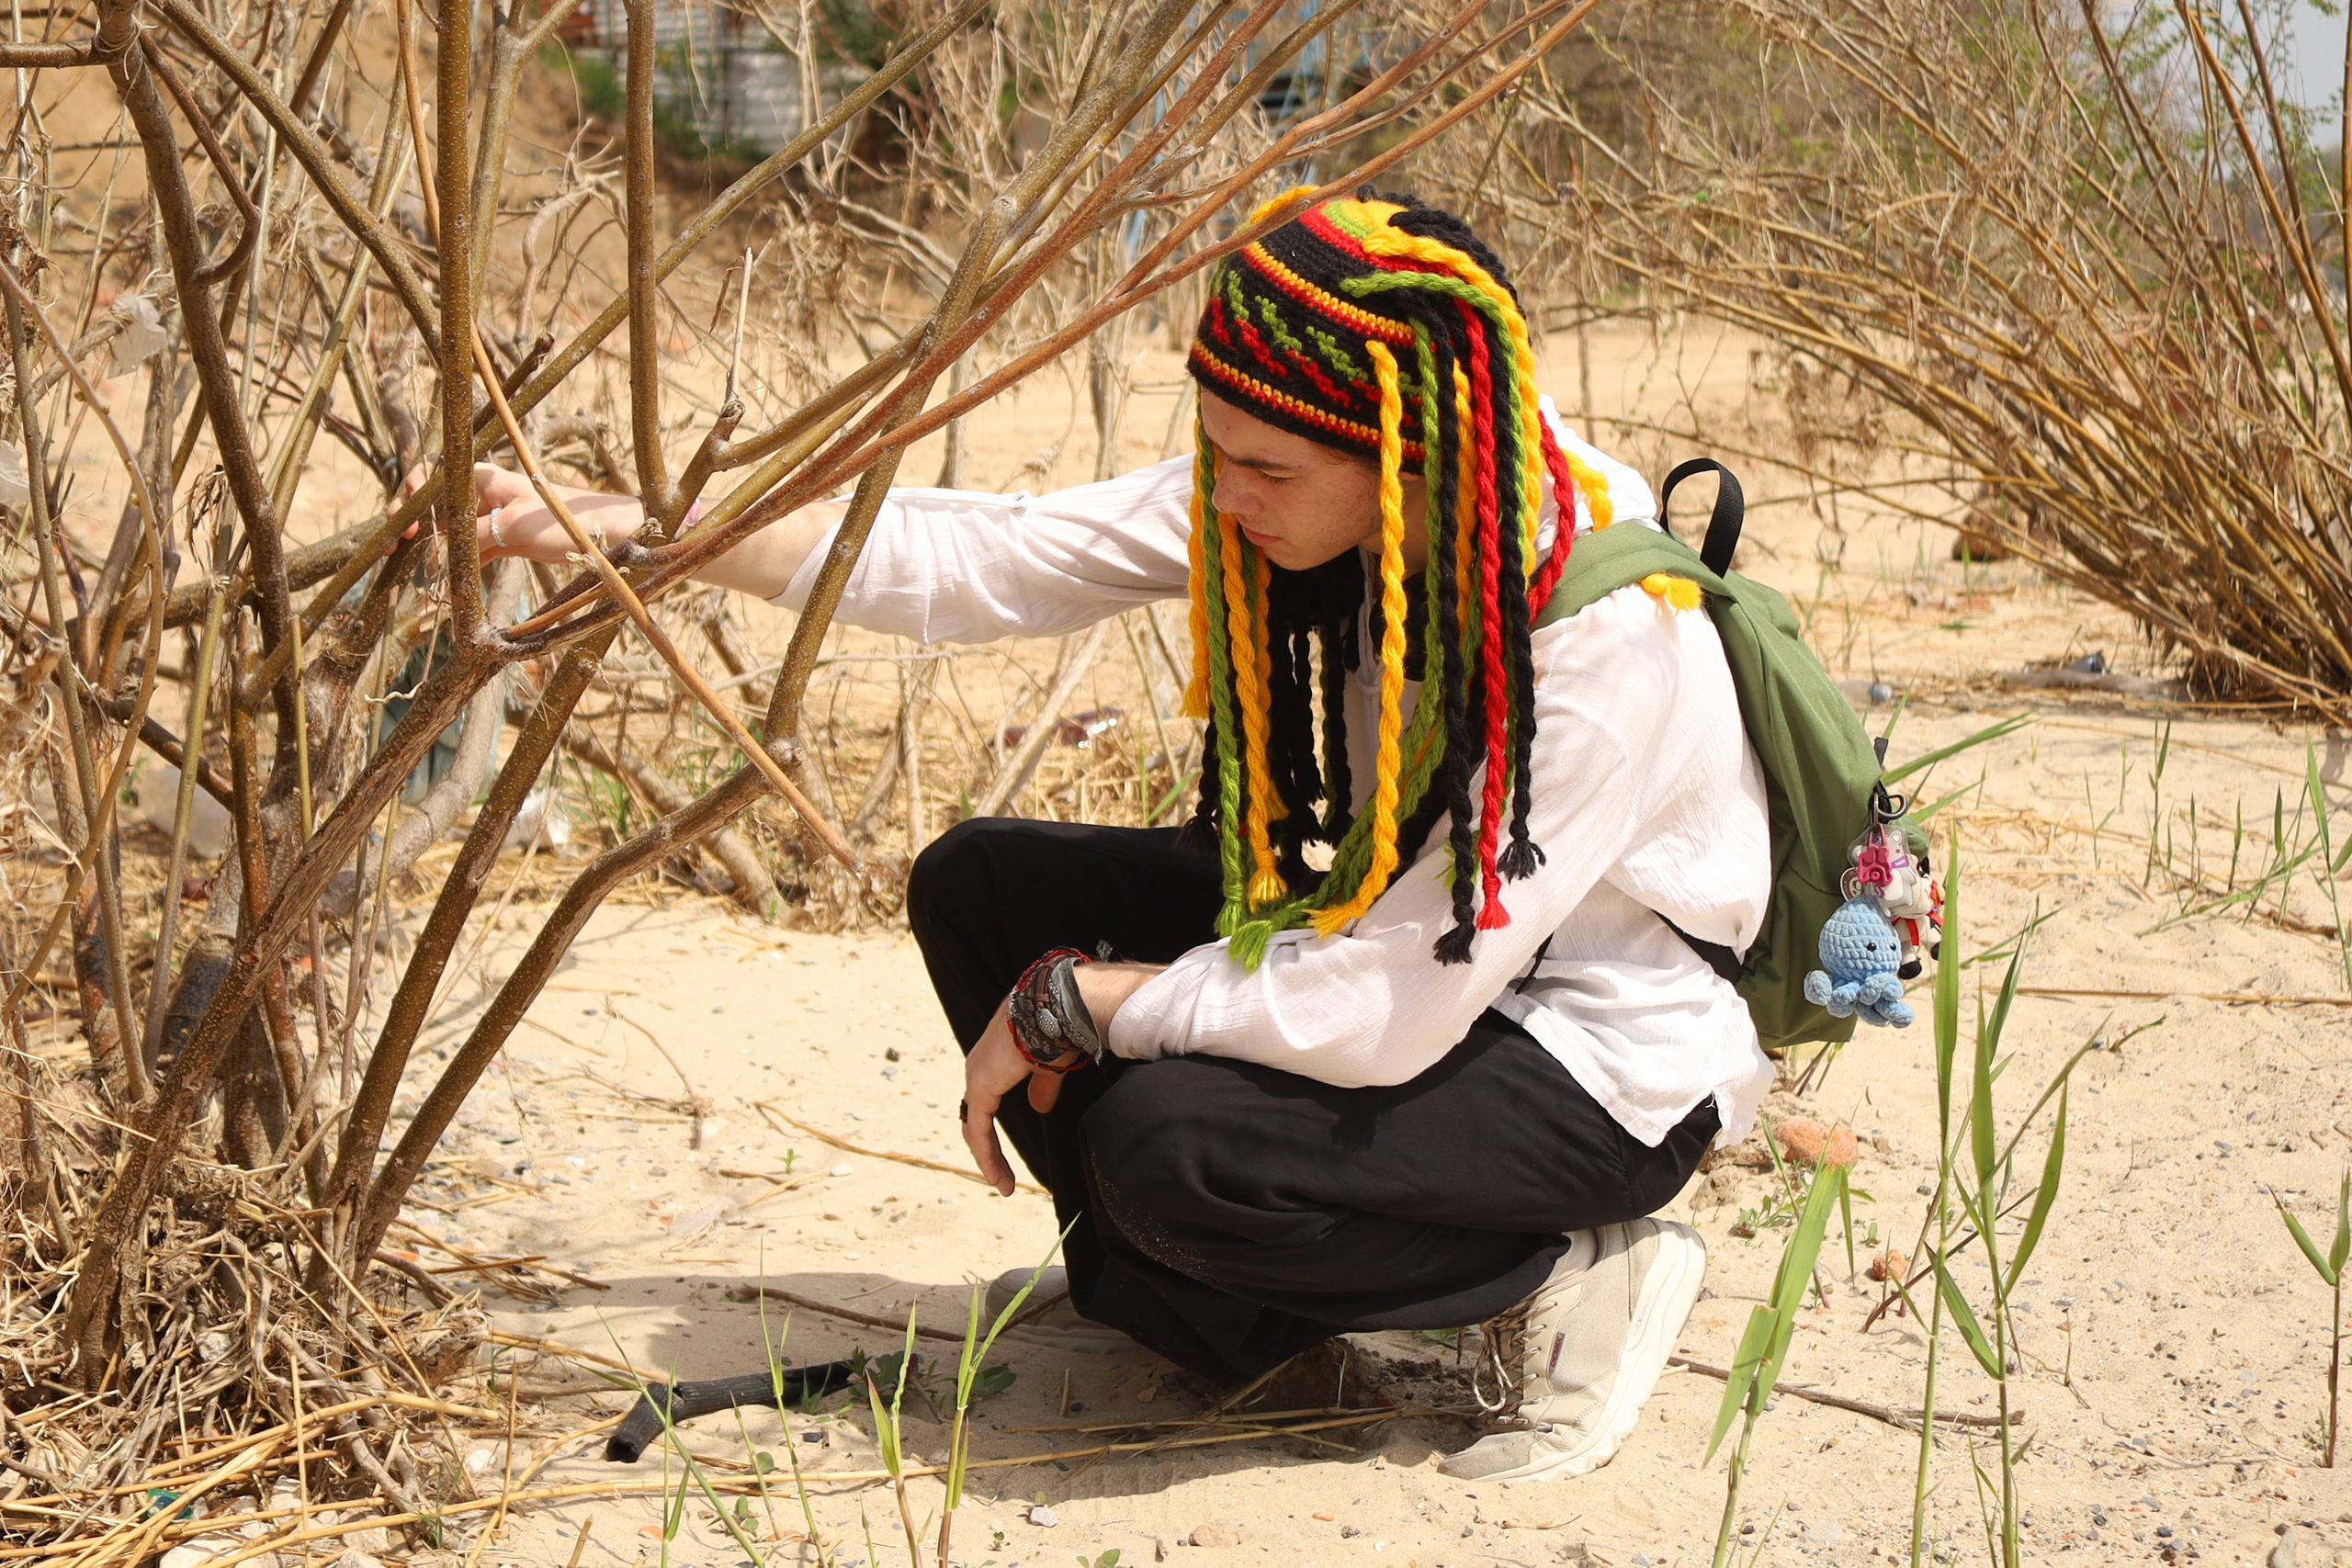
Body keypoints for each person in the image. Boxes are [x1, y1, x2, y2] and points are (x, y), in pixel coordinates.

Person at [458, 191, 1773, 1483]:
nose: (1230, 496)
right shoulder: (1305, 471)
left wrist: (1087, 1000)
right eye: (1219, 453)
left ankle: (1565, 1275)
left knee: (1168, 1149)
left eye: (1269, 472)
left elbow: (1387, 1009)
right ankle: (1207, 1311)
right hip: (1402, 954)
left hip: (1590, 1057)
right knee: (983, 888)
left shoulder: (1603, 635)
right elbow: (992, 559)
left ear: (1414, 454)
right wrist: (654, 536)